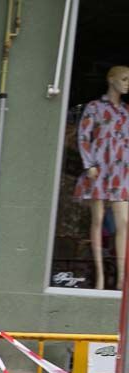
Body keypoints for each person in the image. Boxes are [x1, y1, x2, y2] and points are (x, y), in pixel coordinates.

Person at [73, 65, 129, 290]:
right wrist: (89, 164)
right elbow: (84, 136)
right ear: (111, 79)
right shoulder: (94, 108)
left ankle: (122, 278)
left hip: (121, 173)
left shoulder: (126, 111)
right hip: (99, 171)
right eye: (124, 78)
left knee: (124, 223)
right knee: (97, 221)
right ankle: (100, 277)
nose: (127, 83)